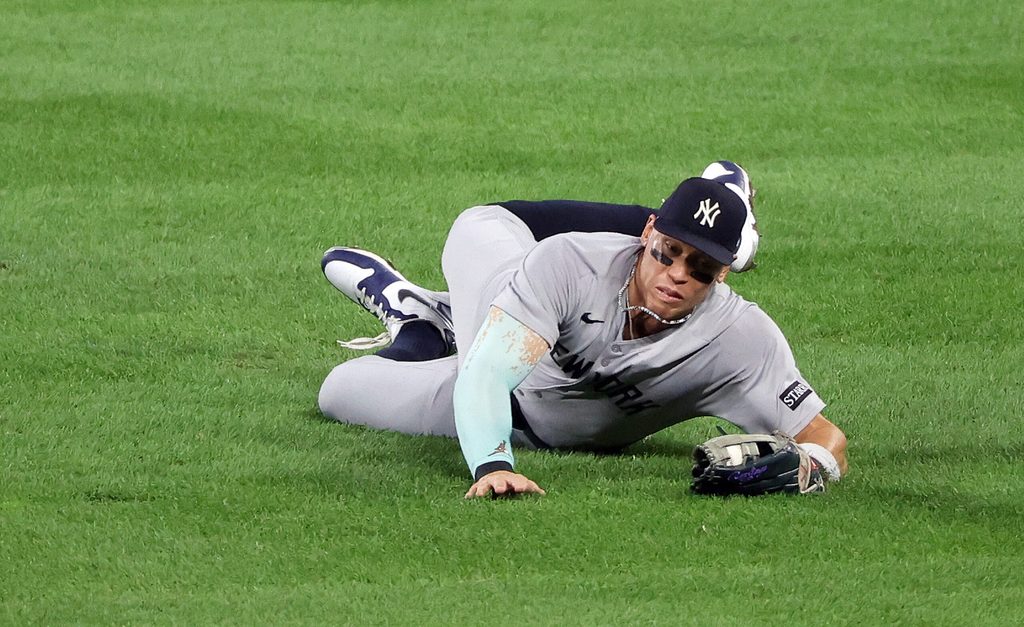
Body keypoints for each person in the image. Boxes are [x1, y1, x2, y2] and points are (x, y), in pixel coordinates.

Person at [317, 161, 848, 498]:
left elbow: (826, 438)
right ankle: (709, 207)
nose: (677, 274)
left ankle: (423, 323)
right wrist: (493, 465)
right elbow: (485, 377)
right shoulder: (569, 265)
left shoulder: (740, 343)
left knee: (339, 389)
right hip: (500, 298)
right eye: (668, 251)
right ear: (648, 234)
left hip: (527, 412)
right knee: (479, 227)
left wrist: (811, 467)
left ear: (723, 272)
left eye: (703, 266)